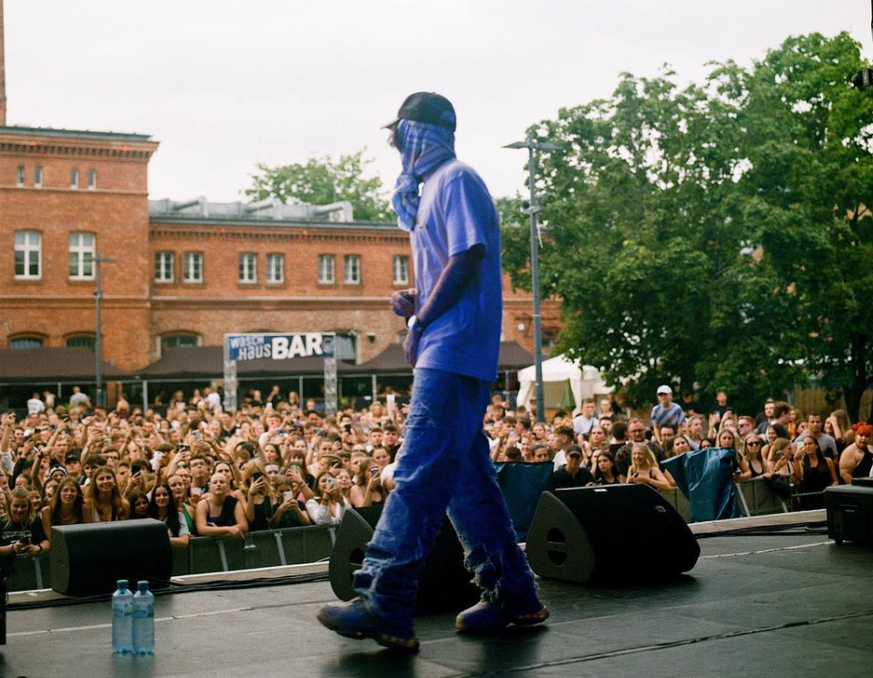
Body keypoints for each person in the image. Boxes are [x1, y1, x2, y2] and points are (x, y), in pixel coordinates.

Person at [318, 93, 547, 653]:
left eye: (402, 136)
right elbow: (455, 264)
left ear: (423, 134)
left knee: (417, 474)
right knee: (468, 484)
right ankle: (514, 593)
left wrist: (423, 314)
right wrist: (417, 300)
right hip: (451, 344)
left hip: (453, 349)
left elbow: (467, 258)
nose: (398, 147)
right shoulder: (433, 192)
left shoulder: (457, 179)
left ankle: (385, 601)